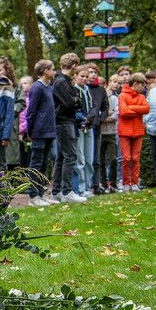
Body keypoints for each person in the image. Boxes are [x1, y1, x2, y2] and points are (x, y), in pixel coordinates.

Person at [51, 53, 86, 203]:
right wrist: (76, 100)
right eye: (76, 66)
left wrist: (75, 100)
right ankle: (66, 192)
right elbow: (70, 103)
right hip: (64, 122)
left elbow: (76, 100)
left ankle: (57, 191)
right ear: (73, 66)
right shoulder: (60, 82)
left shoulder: (63, 81)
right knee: (70, 156)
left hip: (65, 122)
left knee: (61, 157)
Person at [25, 60, 58, 206]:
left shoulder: (49, 88)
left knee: (44, 164)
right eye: (52, 69)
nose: (54, 72)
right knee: (36, 164)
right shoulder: (37, 88)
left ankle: (41, 193)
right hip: (39, 131)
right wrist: (30, 131)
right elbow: (31, 111)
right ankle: (33, 196)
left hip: (49, 131)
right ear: (45, 70)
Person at [118, 73, 150, 192]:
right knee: (126, 158)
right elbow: (123, 112)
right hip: (124, 131)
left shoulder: (141, 97)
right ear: (135, 84)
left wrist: (131, 108)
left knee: (136, 158)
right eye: (142, 85)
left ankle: (135, 183)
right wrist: (138, 109)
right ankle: (126, 183)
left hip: (138, 131)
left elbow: (147, 109)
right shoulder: (122, 96)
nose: (143, 88)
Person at [85, 63, 109, 194]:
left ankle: (96, 184)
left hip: (97, 127)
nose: (93, 74)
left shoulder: (101, 90)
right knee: (86, 157)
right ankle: (86, 185)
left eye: (95, 72)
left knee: (96, 159)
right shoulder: (83, 88)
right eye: (90, 72)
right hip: (85, 126)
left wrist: (100, 119)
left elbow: (106, 107)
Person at [72, 65, 94, 197]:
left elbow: (93, 107)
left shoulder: (88, 90)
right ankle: (80, 187)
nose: (85, 79)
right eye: (82, 76)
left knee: (89, 158)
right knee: (80, 158)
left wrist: (90, 119)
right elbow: (75, 110)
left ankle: (88, 186)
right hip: (79, 126)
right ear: (75, 76)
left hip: (89, 127)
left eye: (86, 77)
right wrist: (82, 120)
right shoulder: (74, 90)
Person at [100, 76, 120, 192]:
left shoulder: (114, 99)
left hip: (111, 132)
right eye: (114, 82)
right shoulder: (99, 98)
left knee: (113, 158)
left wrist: (104, 116)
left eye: (118, 83)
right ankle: (103, 183)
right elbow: (97, 115)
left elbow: (116, 115)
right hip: (100, 133)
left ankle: (113, 183)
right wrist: (108, 114)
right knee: (100, 159)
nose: (116, 84)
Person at [17, 75, 34, 167]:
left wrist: (21, 130)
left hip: (27, 133)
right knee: (20, 159)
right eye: (21, 83)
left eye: (25, 83)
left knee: (28, 158)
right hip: (18, 133)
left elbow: (30, 118)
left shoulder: (31, 99)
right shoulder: (19, 98)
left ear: (31, 85)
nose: (23, 85)